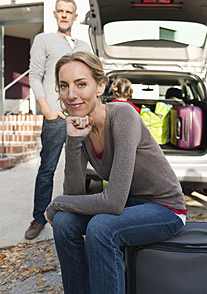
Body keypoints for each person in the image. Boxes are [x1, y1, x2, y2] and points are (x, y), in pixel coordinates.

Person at [44, 51, 186, 294]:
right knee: (64, 222)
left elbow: (113, 203)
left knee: (101, 227)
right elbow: (76, 194)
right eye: (64, 86)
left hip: (165, 208)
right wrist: (74, 141)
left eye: (81, 84)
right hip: (131, 205)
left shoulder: (123, 116)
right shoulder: (80, 126)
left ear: (100, 86)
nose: (71, 95)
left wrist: (57, 202)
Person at [25, 0, 90, 240]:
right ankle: (39, 218)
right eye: (60, 11)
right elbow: (35, 75)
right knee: (47, 168)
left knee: (80, 169)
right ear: (54, 14)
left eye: (69, 12)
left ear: (75, 16)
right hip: (56, 117)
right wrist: (47, 109)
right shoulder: (44, 40)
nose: (64, 15)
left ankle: (77, 215)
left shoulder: (84, 45)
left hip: (81, 117)